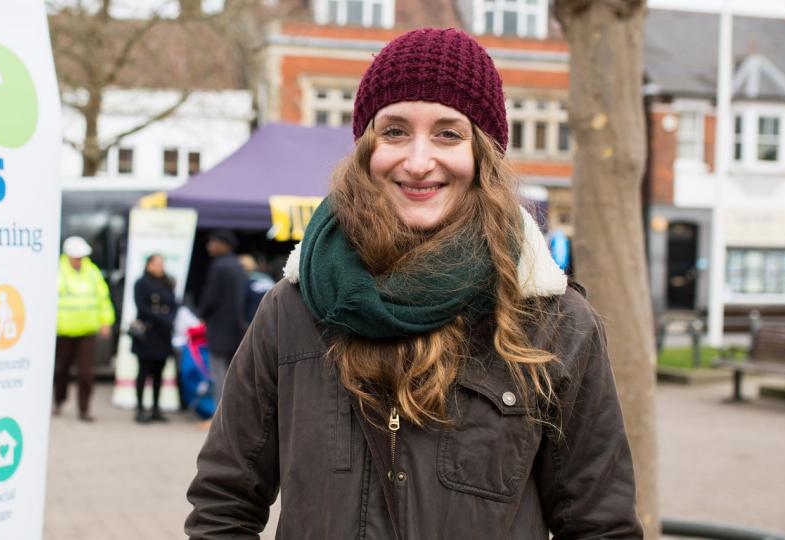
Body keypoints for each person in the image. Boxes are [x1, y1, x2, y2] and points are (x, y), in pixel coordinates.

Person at [185, 29, 640, 537]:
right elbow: (223, 504)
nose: (419, 161)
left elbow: (601, 526)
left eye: (448, 133)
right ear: (365, 149)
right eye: (395, 131)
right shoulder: (293, 309)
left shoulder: (554, 322)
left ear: (482, 155)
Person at [55, 236, 115, 422]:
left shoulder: (92, 272)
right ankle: (59, 401)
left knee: (85, 373)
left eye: (81, 256)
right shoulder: (57, 271)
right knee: (61, 370)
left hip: (87, 329)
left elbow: (103, 298)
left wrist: (106, 321)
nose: (79, 260)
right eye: (75, 256)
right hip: (63, 329)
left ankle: (84, 409)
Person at [196, 230, 248, 397]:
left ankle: (218, 418)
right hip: (238, 330)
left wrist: (201, 314)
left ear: (223, 245)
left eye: (212, 242)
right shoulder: (239, 266)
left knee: (218, 374)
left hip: (219, 331)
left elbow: (210, 297)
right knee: (234, 376)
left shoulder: (218, 267)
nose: (209, 246)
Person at [131, 254, 179, 424]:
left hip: (163, 335)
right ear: (148, 265)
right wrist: (163, 319)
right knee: (143, 371)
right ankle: (139, 408)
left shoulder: (168, 282)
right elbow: (142, 307)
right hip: (147, 333)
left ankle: (156, 408)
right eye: (156, 263)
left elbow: (173, 304)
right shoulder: (141, 283)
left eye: (161, 263)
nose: (159, 267)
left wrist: (170, 319)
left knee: (159, 372)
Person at [237, 254, 276, 323]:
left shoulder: (246, 281)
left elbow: (241, 304)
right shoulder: (267, 278)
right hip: (272, 318)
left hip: (253, 322)